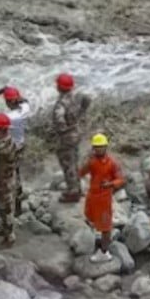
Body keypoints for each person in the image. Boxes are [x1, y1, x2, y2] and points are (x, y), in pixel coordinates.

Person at [78, 134, 126, 263]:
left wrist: (110, 184)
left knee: (105, 225)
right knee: (89, 217)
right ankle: (98, 240)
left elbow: (121, 179)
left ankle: (105, 252)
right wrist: (85, 161)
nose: (99, 150)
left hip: (104, 198)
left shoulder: (112, 163)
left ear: (106, 147)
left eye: (101, 147)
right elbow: (81, 172)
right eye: (96, 147)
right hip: (92, 196)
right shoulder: (92, 161)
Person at [0, 86, 32, 215]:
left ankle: (11, 207)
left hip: (9, 148)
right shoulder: (25, 109)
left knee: (7, 176)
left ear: (8, 102)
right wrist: (9, 91)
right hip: (20, 146)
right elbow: (25, 101)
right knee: (16, 173)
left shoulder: (9, 117)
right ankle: (18, 205)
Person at [54, 73, 91, 203]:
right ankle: (77, 188)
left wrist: (63, 129)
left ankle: (73, 192)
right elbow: (87, 100)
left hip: (66, 137)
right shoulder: (76, 97)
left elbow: (59, 119)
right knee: (74, 162)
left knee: (67, 164)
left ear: (58, 87)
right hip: (77, 133)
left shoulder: (61, 104)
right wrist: (80, 116)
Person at [0, 113, 19, 247]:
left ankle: (10, 237)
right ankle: (5, 230)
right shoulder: (9, 140)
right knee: (3, 208)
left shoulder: (2, 148)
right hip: (8, 179)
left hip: (5, 182)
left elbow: (0, 168)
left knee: (6, 209)